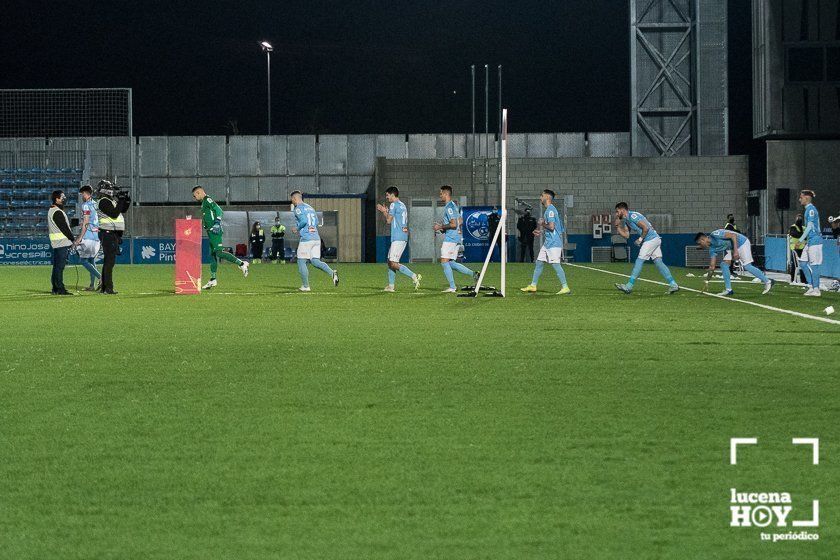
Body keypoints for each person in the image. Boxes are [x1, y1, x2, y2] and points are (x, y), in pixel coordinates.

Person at [613, 202, 679, 294]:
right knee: (658, 262)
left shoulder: (632, 216)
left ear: (623, 210)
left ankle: (629, 286)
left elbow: (645, 228)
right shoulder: (628, 218)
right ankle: (673, 284)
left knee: (639, 261)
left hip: (650, 240)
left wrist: (640, 239)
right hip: (655, 239)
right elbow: (627, 235)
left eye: (617, 211)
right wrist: (618, 227)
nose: (616, 214)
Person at [191, 185, 249, 289]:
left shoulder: (207, 199)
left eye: (194, 196)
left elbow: (219, 210)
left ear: (199, 193)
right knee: (212, 254)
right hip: (210, 231)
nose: (194, 198)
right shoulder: (204, 202)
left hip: (215, 231)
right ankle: (213, 279)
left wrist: (217, 222)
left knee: (218, 252)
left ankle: (241, 264)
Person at [520, 189, 571, 295]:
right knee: (539, 262)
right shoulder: (549, 210)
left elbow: (552, 227)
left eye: (542, 195)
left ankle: (565, 287)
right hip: (548, 243)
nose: (540, 197)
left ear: (547, 197)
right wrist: (541, 231)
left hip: (553, 243)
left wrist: (542, 224)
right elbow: (552, 228)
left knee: (555, 264)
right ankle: (533, 285)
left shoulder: (551, 210)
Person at [694, 230, 773, 296]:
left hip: (741, 242)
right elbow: (712, 267)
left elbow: (733, 235)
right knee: (724, 265)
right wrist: (707, 280)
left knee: (747, 266)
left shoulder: (715, 235)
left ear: (703, 240)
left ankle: (768, 281)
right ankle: (729, 290)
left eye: (699, 243)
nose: (700, 246)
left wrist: (735, 251)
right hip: (731, 248)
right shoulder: (712, 249)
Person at [291, 190, 339, 292]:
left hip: (306, 239)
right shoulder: (310, 208)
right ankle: (332, 273)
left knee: (301, 261)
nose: (292, 202)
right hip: (316, 238)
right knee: (315, 261)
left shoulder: (298, 209)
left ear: (295, 198)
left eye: (292, 199)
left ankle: (305, 286)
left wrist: (297, 228)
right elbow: (316, 222)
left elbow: (303, 221)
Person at [433, 185, 478, 293]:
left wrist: (440, 227)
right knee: (450, 262)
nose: (440, 196)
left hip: (451, 238)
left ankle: (452, 287)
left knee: (444, 261)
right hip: (455, 237)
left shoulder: (449, 207)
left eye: (441, 193)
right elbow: (460, 221)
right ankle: (474, 274)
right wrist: (446, 229)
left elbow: (453, 224)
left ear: (445, 194)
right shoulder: (453, 205)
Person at [376, 186, 421, 292]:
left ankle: (414, 276)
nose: (387, 198)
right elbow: (394, 218)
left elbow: (388, 221)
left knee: (393, 263)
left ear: (392, 194)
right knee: (390, 261)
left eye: (387, 195)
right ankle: (391, 286)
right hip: (401, 236)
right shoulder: (402, 205)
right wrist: (387, 212)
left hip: (398, 237)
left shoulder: (393, 204)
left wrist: (383, 211)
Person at [95, 180, 130, 295]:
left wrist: (126, 200)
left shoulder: (109, 200)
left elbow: (122, 210)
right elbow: (114, 213)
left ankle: (105, 287)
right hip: (107, 233)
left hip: (111, 233)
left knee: (108, 261)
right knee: (109, 262)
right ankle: (108, 288)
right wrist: (120, 200)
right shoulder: (103, 201)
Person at [73, 185, 101, 291]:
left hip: (88, 236)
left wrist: (80, 237)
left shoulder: (85, 205)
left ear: (87, 193)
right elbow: (93, 220)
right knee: (91, 259)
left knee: (83, 260)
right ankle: (92, 285)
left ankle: (101, 278)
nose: (82, 196)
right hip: (96, 235)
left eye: (83, 194)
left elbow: (86, 222)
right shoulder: (96, 204)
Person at [796, 189, 823, 296]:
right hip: (810, 241)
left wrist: (800, 240)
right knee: (802, 263)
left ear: (806, 198)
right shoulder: (808, 210)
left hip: (815, 241)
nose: (799, 199)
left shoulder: (811, 210)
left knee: (815, 265)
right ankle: (811, 286)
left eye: (801, 197)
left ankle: (816, 289)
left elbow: (810, 226)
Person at [47, 190, 74, 295]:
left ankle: (55, 288)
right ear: (57, 199)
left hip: (57, 243)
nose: (64, 198)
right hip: (61, 243)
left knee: (57, 266)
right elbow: (64, 228)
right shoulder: (57, 212)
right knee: (60, 267)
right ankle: (60, 288)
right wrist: (72, 238)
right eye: (62, 197)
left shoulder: (53, 210)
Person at [788, 214, 807, 284]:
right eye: (798, 217)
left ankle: (803, 280)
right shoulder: (793, 227)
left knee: (803, 265)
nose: (799, 219)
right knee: (795, 265)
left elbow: (806, 237)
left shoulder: (804, 228)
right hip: (795, 249)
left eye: (800, 218)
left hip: (803, 249)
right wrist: (803, 235)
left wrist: (802, 235)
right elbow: (794, 234)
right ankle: (793, 279)